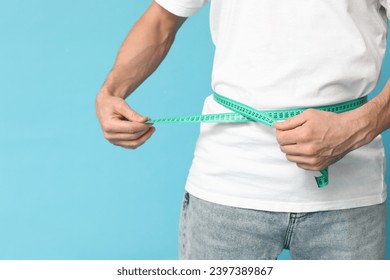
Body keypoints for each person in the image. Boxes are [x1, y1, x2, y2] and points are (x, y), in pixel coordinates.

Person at [95, 0, 390, 260]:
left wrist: (359, 125)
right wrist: (111, 91)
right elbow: (162, 19)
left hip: (350, 195)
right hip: (228, 188)